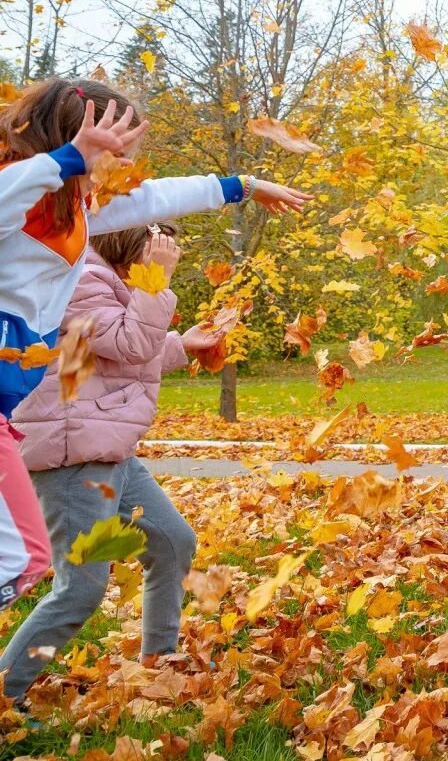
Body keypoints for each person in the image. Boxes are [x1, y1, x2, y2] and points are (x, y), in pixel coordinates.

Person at [0, 78, 306, 611]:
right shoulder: (22, 194)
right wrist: (70, 159)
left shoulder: (74, 210)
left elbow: (154, 197)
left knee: (22, 560)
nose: (124, 172)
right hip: (38, 419)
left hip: (10, 406)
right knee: (23, 559)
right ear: (76, 142)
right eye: (117, 157)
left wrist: (242, 185)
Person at [0, 223, 227, 703]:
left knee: (171, 544)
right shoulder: (82, 278)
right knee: (80, 587)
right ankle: (7, 690)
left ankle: (158, 665)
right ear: (133, 249)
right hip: (72, 456)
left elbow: (118, 356)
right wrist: (155, 285)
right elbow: (129, 344)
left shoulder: (107, 280)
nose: (164, 262)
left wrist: (183, 344)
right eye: (158, 254)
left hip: (107, 448)